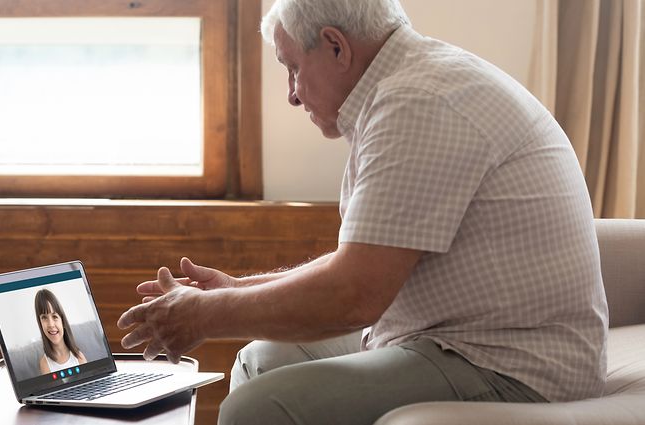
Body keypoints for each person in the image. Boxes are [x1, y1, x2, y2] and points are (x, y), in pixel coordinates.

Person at [117, 0, 608, 423]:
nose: (291, 93)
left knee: (257, 409)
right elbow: (358, 264)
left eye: (292, 67)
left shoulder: (416, 102)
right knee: (261, 360)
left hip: (512, 364)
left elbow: (353, 295)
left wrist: (205, 316)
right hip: (452, 337)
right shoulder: (410, 83)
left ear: (336, 45)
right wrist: (238, 290)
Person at [35, 288, 87, 374]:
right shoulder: (45, 364)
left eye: (54, 317)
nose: (51, 324)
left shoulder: (79, 357)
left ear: (62, 321)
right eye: (44, 317)